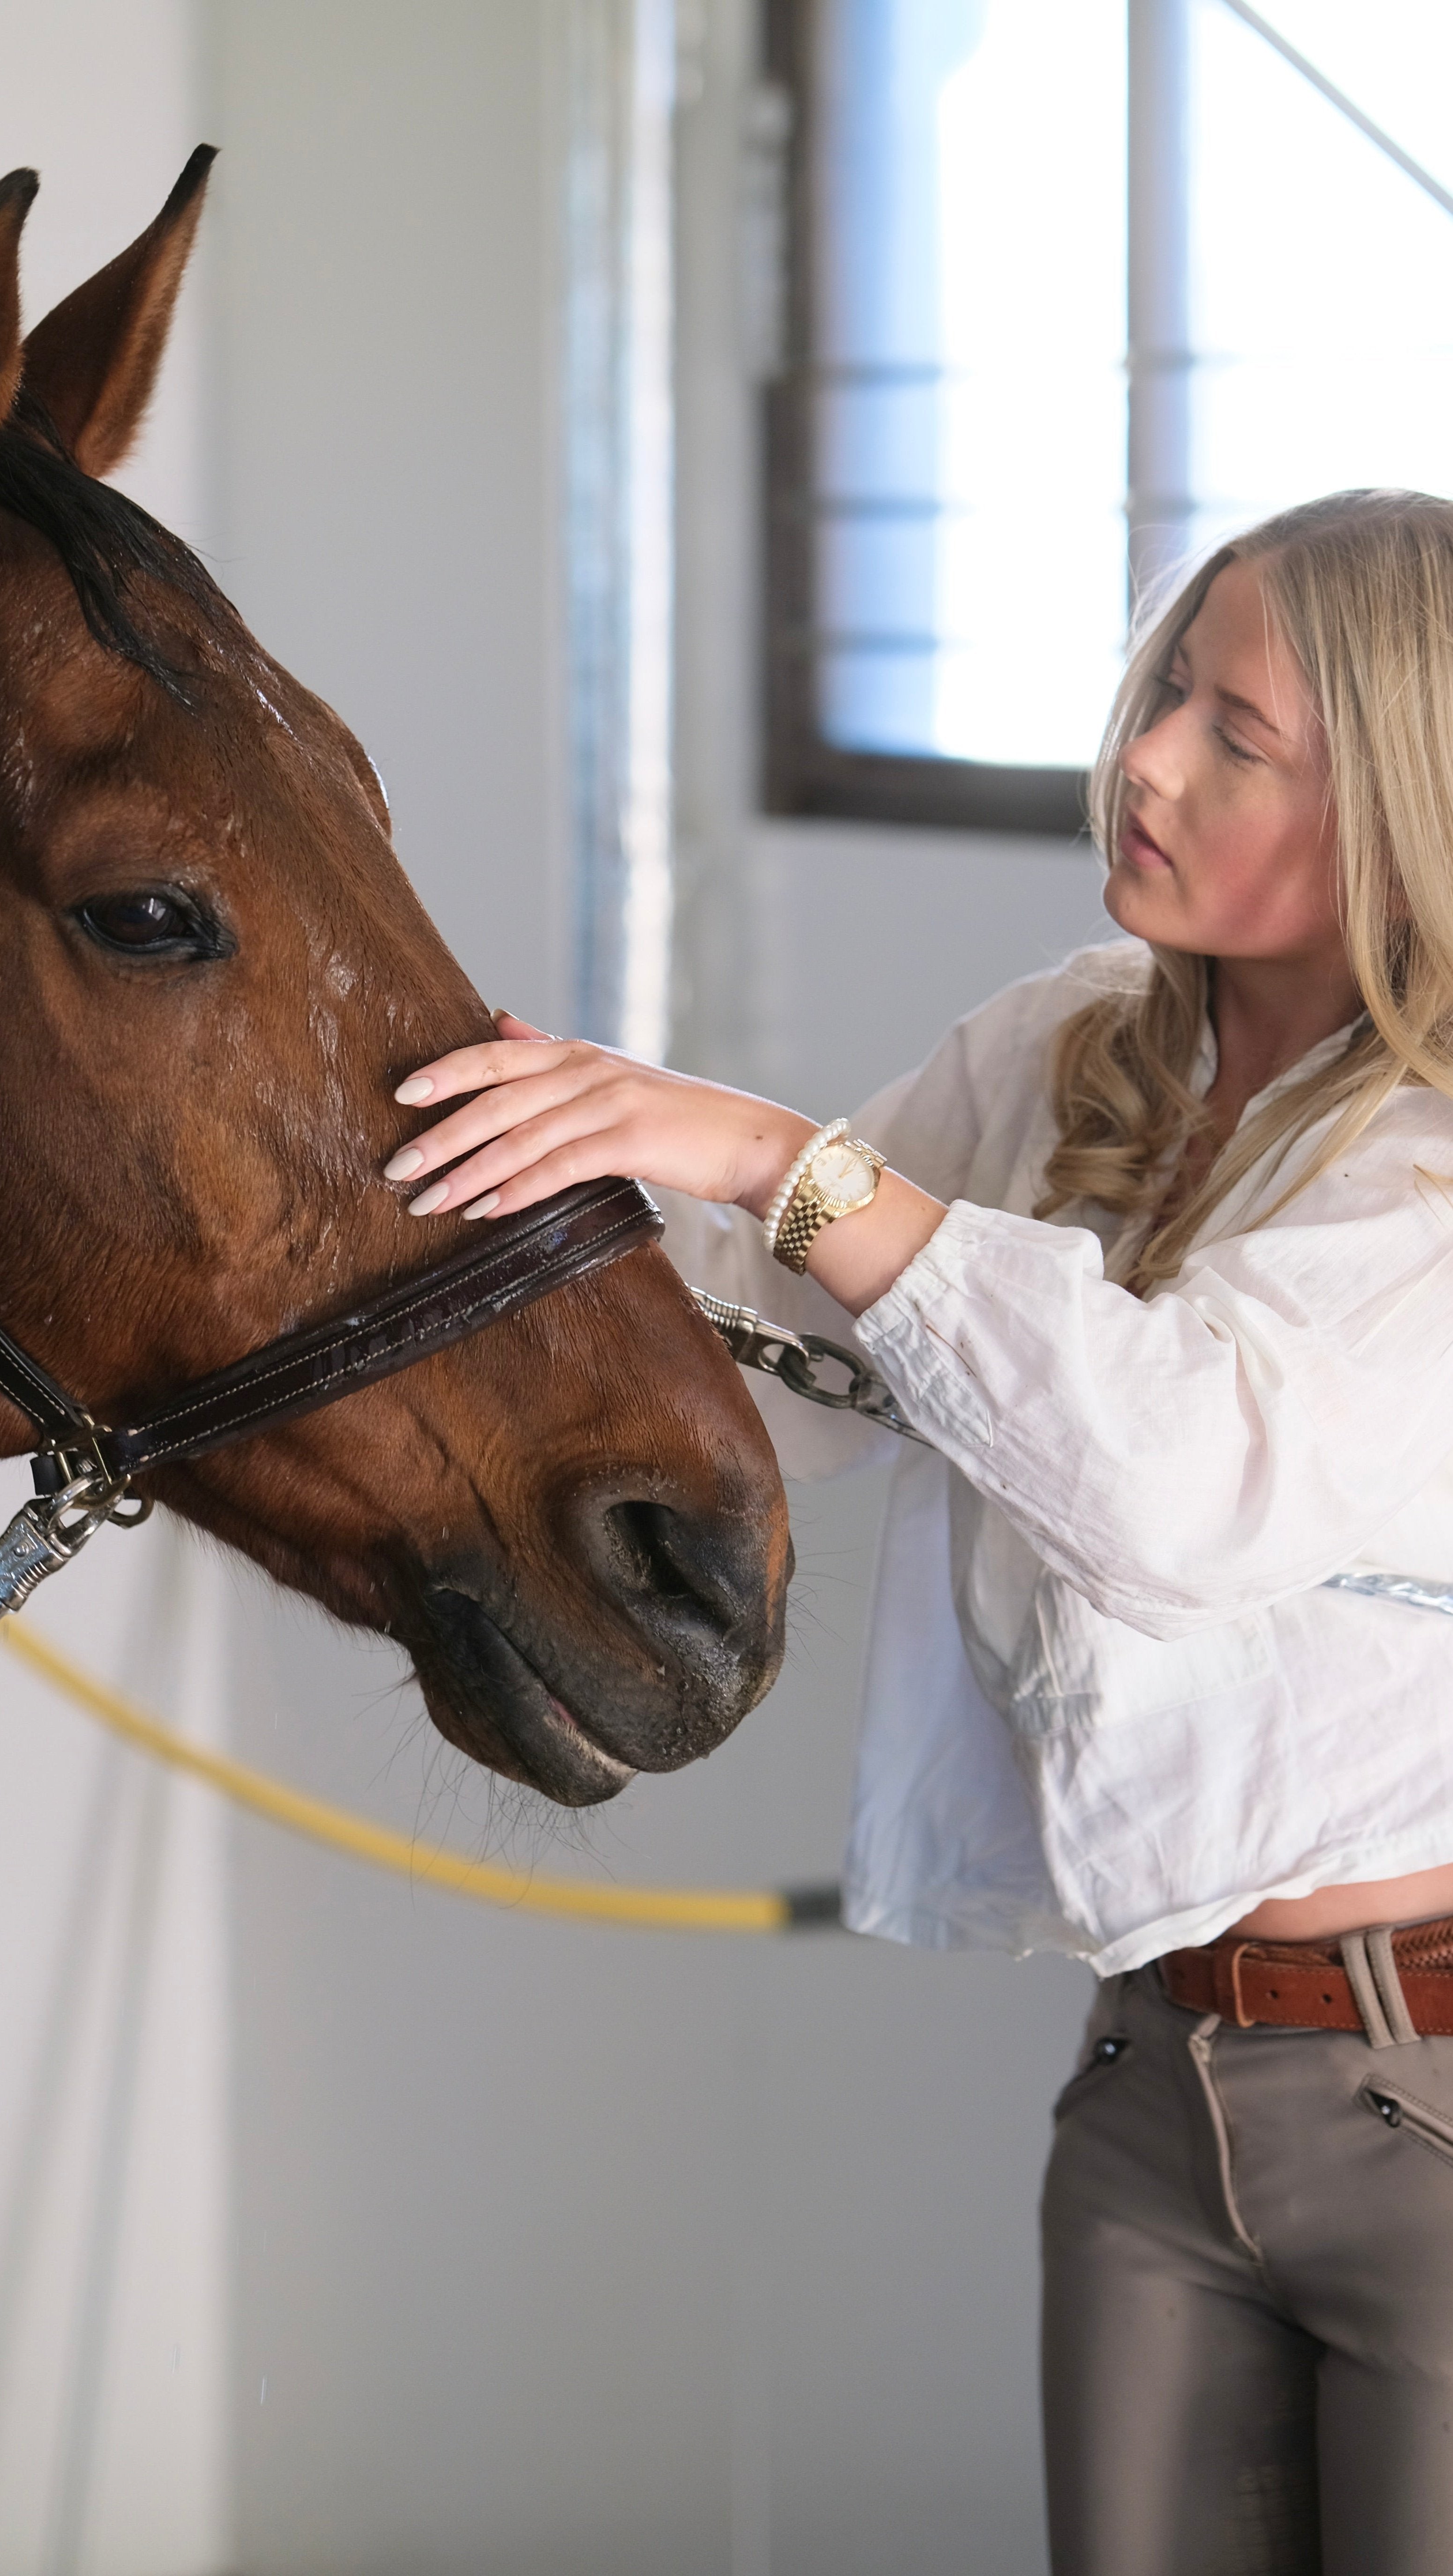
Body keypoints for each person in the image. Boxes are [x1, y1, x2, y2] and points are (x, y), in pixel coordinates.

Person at [380, 490, 1453, 2576]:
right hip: (1151, 2081)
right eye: (1160, 690)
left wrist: (779, 1153)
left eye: (1234, 734)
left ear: (1402, 804)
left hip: (1422, 2099)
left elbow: (1163, 1488)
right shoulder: (1071, 1045)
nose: (1143, 757)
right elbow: (794, 1317)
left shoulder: (1422, 1168)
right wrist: (471, 1135)